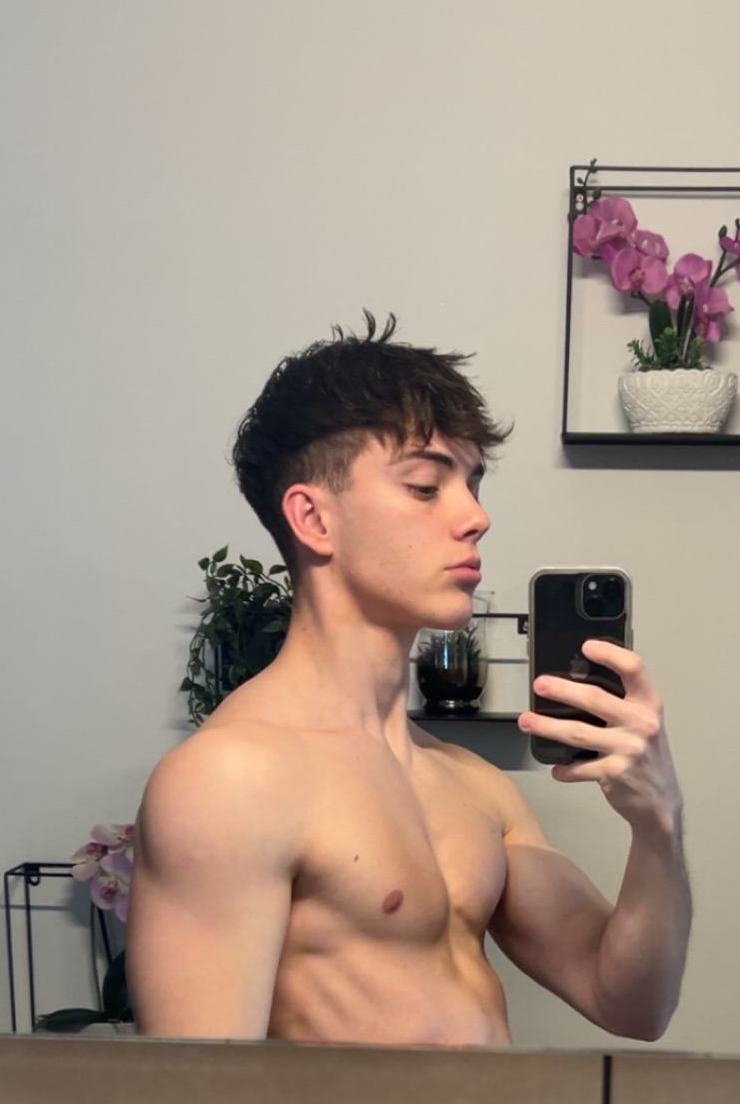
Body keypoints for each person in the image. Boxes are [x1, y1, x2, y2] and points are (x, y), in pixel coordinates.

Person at [126, 316, 691, 1045]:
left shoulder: (474, 786)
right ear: (312, 518)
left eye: (473, 483)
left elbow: (632, 1004)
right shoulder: (231, 779)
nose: (476, 517)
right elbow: (197, 1098)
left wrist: (658, 823)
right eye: (426, 486)